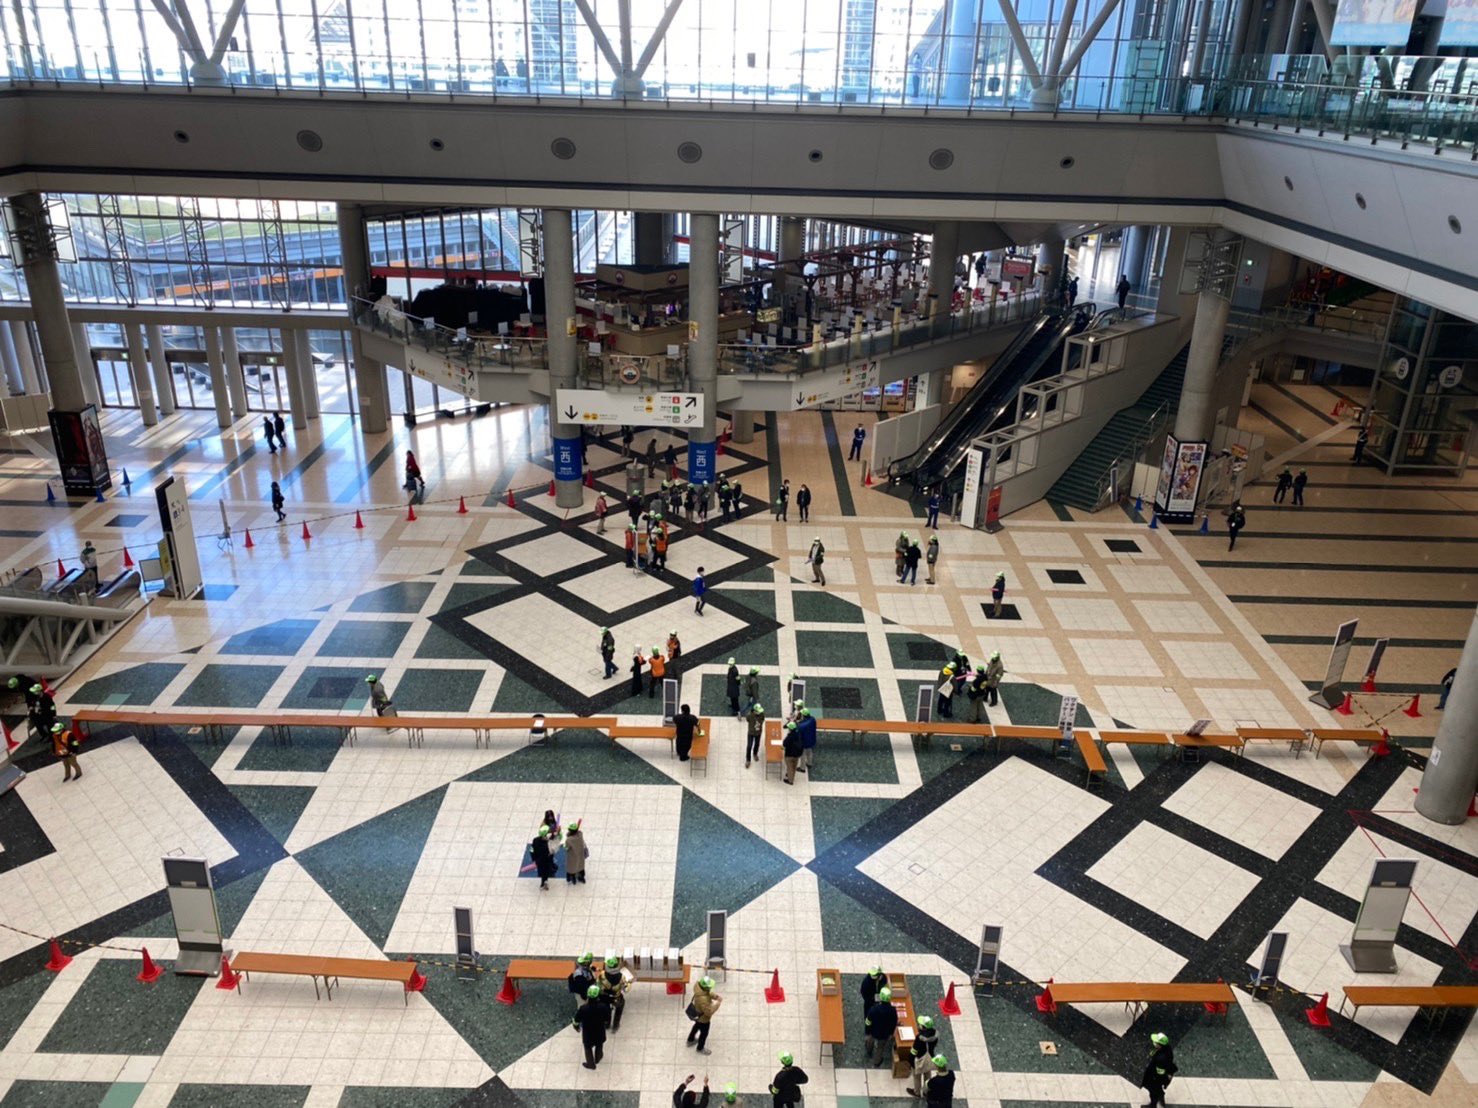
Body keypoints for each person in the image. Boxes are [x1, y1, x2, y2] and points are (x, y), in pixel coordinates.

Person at [572, 984, 611, 1069]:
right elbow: (607, 1018)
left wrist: (576, 1027)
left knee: (588, 1047)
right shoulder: (603, 1007)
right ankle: (598, 1058)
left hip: (588, 1033)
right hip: (600, 1031)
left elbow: (576, 1020)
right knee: (599, 1045)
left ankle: (591, 1064)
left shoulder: (583, 1008)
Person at [1141, 1032, 1177, 1108]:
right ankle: (1160, 1095)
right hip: (1160, 1074)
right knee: (1156, 1089)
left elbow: (1160, 1073)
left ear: (1160, 1045)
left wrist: (1161, 1080)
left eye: (1156, 1042)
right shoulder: (1167, 1048)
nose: (1154, 1043)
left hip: (1155, 1077)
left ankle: (1153, 1105)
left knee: (1153, 1091)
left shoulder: (1161, 1058)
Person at [864, 985, 898, 1067]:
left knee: (869, 1042)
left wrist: (867, 1032)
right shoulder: (892, 1010)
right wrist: (891, 1033)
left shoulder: (873, 1009)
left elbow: (868, 1022)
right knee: (880, 1048)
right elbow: (894, 1023)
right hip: (884, 1034)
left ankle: (869, 1051)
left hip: (873, 1031)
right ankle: (876, 1062)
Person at [686, 975, 721, 1053]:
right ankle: (700, 1048)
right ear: (706, 987)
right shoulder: (703, 1000)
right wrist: (718, 1003)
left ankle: (690, 1040)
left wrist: (715, 996)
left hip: (698, 1015)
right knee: (704, 1033)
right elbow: (709, 1012)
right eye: (709, 987)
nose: (710, 988)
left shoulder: (699, 988)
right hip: (703, 1019)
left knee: (696, 1026)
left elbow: (707, 993)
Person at [908, 1016, 940, 1098]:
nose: (919, 1025)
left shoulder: (919, 1038)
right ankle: (927, 1092)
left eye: (920, 1024)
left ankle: (917, 1092)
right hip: (930, 1057)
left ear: (924, 1027)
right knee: (927, 1074)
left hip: (920, 1059)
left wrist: (911, 1061)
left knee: (917, 1076)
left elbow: (914, 1051)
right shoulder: (935, 1035)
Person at [596, 953, 625, 1027]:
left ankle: (606, 1023)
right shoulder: (622, 977)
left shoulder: (602, 975)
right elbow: (625, 989)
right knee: (620, 1005)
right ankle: (616, 1024)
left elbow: (598, 985)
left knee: (605, 1009)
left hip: (604, 996)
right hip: (616, 996)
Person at [530, 824, 558, 891]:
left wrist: (534, 859)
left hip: (539, 861)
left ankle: (544, 882)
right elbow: (553, 850)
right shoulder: (548, 844)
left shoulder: (535, 840)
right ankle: (543, 883)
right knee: (545, 872)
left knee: (543, 872)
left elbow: (531, 850)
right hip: (545, 861)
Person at [564, 821, 588, 885]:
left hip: (572, 857)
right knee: (580, 866)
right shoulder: (580, 835)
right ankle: (581, 877)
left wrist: (567, 836)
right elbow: (579, 832)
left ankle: (572, 879)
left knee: (571, 868)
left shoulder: (569, 840)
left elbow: (566, 848)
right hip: (580, 855)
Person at [796, 706, 817, 773]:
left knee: (802, 755)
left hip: (804, 742)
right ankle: (809, 763)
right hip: (811, 740)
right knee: (809, 752)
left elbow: (799, 734)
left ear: (803, 715)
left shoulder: (801, 725)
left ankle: (802, 768)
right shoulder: (813, 719)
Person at [746, 703, 765, 768]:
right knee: (749, 746)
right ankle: (748, 760)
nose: (759, 712)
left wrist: (759, 724)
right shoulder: (750, 715)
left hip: (758, 732)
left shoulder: (762, 714)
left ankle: (755, 754)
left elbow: (762, 719)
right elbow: (747, 719)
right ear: (755, 711)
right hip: (751, 733)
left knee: (757, 744)